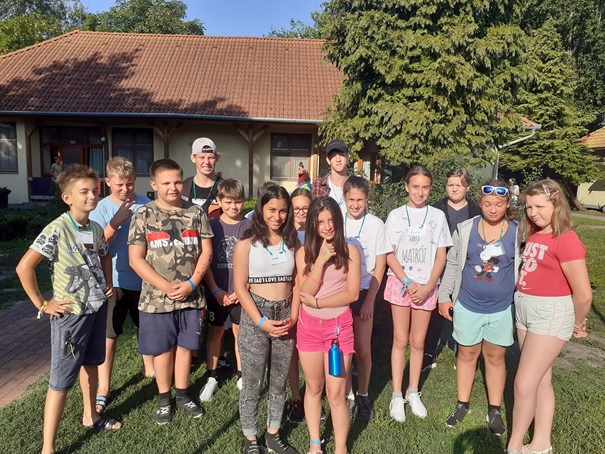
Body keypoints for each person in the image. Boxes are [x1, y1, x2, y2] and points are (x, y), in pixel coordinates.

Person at [16, 165, 120, 454]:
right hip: (70, 315)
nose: (92, 196)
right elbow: (24, 267)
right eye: (84, 192)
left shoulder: (94, 228)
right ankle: (48, 447)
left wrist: (107, 282)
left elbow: (104, 254)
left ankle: (90, 416)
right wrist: (42, 303)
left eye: (95, 191)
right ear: (67, 198)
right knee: (61, 381)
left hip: (96, 308)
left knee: (92, 365)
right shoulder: (57, 228)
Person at [507, 179, 592, 454]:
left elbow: (583, 294)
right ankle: (541, 444)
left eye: (540, 207)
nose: (533, 212)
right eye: (529, 207)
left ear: (556, 205)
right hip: (525, 310)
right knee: (541, 379)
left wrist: (578, 323)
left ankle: (514, 447)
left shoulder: (566, 240)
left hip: (550, 313)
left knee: (523, 384)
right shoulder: (534, 234)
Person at [128, 159, 213, 424]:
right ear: (154, 185)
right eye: (166, 183)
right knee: (163, 350)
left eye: (177, 181)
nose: (173, 188)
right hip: (156, 299)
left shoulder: (196, 213)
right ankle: (164, 399)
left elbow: (206, 252)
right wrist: (165, 286)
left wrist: (192, 284)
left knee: (186, 347)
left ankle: (182, 394)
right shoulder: (143, 215)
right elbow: (135, 259)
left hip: (191, 296)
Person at [438, 180, 520, 436]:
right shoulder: (465, 229)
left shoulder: (517, 232)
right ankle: (462, 404)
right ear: (480, 203)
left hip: (501, 308)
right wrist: (444, 296)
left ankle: (494, 409)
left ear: (507, 204)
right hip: (468, 304)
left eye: (499, 204)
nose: (493, 209)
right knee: (467, 354)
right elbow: (453, 264)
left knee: (495, 357)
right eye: (487, 204)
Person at [233, 185, 300, 454]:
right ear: (261, 209)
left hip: (285, 315)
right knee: (252, 381)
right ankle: (250, 438)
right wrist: (260, 321)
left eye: (283, 211)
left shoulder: (293, 241)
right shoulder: (246, 243)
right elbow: (240, 287)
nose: (277, 216)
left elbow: (298, 282)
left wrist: (293, 315)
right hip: (255, 315)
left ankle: (273, 433)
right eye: (272, 209)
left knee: (279, 380)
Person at [384, 165, 452, 423]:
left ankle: (413, 392)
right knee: (400, 340)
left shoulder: (437, 216)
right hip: (401, 285)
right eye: (415, 187)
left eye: (425, 187)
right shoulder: (395, 216)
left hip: (426, 287)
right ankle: (396, 394)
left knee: (419, 342)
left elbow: (441, 255)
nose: (420, 192)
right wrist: (407, 281)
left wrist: (428, 285)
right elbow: (389, 254)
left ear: (430, 188)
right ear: (406, 187)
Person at [296, 196, 362, 454]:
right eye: (321, 222)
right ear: (313, 224)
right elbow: (305, 292)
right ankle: (315, 444)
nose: (327, 226)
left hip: (338, 328)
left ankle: (341, 448)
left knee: (336, 394)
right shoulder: (304, 253)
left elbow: (352, 294)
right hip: (309, 328)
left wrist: (319, 303)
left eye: (331, 220)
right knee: (313, 388)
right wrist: (321, 260)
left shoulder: (350, 251)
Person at [90, 157, 154, 415]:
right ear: (107, 182)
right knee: (110, 335)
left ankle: (150, 369)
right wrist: (116, 221)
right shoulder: (100, 208)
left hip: (144, 279)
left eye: (129, 184)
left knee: (146, 328)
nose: (126, 189)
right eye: (119, 185)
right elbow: (97, 245)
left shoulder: (146, 204)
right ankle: (104, 386)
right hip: (114, 281)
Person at [423, 168, 481, 371]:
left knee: (465, 311)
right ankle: (428, 353)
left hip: (467, 267)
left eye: (459, 185)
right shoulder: (434, 210)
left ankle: (462, 353)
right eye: (451, 185)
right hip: (438, 266)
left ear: (467, 187)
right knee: (434, 313)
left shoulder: (477, 212)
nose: (455, 189)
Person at [343, 176, 391, 421]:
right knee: (344, 349)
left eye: (360, 200)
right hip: (341, 292)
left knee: (362, 348)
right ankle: (348, 395)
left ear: (367, 199)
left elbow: (380, 265)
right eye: (351, 199)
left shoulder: (376, 224)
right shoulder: (336, 220)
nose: (355, 204)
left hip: (364, 291)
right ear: (344, 198)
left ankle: (363, 393)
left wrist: (371, 299)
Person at [199, 179, 251, 402]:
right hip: (217, 291)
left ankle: (242, 375)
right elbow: (206, 261)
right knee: (216, 331)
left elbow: (254, 263)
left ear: (243, 201)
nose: (233, 206)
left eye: (237, 202)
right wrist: (215, 290)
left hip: (242, 293)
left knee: (240, 332)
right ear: (219, 201)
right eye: (228, 202)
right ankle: (212, 376)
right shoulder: (211, 226)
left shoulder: (249, 227)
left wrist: (241, 290)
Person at [285, 186, 313, 424]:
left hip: (313, 300)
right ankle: (296, 397)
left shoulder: (318, 232)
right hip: (288, 299)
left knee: (312, 352)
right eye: (297, 208)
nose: (301, 212)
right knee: (292, 351)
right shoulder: (284, 234)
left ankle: (315, 396)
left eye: (306, 207)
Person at [182, 137, 223, 219]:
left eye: (211, 157)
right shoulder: (183, 187)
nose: (207, 162)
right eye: (201, 157)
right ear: (193, 158)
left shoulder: (225, 187)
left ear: (217, 158)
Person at [312, 140, 350, 213]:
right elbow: (314, 214)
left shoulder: (356, 185)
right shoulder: (319, 185)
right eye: (333, 156)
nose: (338, 159)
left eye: (341, 155)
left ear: (348, 156)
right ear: (328, 160)